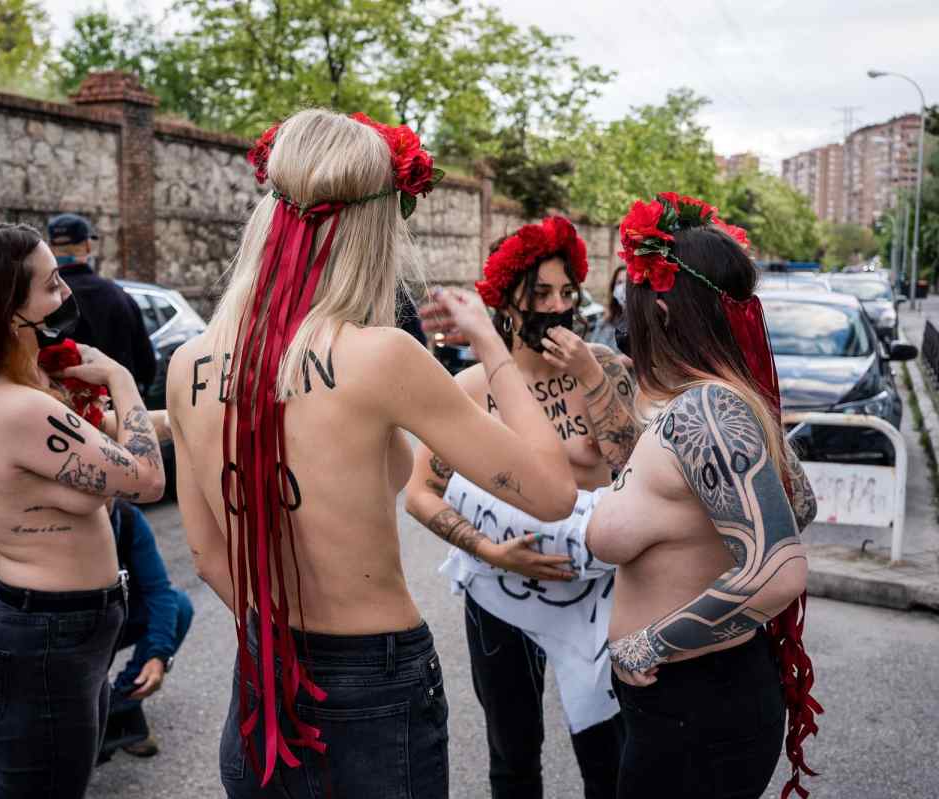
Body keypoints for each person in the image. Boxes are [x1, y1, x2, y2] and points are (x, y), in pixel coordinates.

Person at [165, 109, 579, 797]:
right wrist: (494, 348)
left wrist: (286, 652)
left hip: (262, 673)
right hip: (372, 681)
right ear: (374, 227)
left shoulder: (189, 364)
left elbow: (209, 555)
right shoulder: (382, 356)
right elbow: (552, 491)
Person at [586, 193, 821, 799]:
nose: (621, 316)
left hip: (698, 711)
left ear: (660, 311)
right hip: (688, 708)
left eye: (628, 304)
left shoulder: (709, 409)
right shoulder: (715, 401)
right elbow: (802, 504)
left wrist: (648, 643)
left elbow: (779, 571)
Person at [0, 222, 165, 798]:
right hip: (46, 647)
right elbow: (147, 476)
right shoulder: (17, 409)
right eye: (52, 284)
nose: (65, 296)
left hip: (63, 643)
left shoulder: (28, 394)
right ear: (11, 312)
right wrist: (120, 376)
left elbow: (128, 437)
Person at [405, 217, 638, 799]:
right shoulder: (472, 391)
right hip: (501, 594)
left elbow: (631, 465)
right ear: (505, 303)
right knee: (512, 752)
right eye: (540, 295)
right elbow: (418, 492)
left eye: (567, 292)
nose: (557, 307)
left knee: (608, 753)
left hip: (600, 594)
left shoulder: (606, 370)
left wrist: (588, 372)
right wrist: (491, 552)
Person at [44, 212, 186, 760]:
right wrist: (120, 387)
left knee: (124, 580)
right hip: (109, 451)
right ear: (88, 243)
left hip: (77, 458)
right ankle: (98, 713)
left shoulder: (11, 394)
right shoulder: (115, 298)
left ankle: (103, 709)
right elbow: (146, 368)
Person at [99, 500, 194, 760]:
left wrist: (159, 655)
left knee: (179, 605)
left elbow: (159, 591)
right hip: (68, 629)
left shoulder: (128, 519)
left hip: (116, 618)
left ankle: (122, 705)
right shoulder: (59, 523)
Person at [47, 212, 157, 392]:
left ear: (50, 248)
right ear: (88, 246)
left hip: (60, 411)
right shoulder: (119, 296)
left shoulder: (43, 300)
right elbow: (147, 367)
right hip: (117, 410)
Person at [587, 264, 628, 351]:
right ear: (613, 289)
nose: (624, 288)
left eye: (628, 283)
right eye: (619, 283)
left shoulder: (647, 325)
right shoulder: (604, 322)